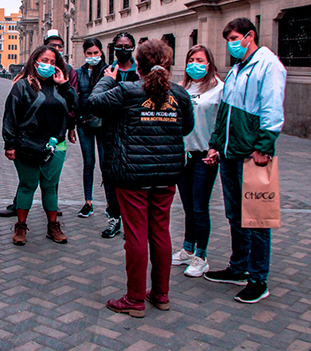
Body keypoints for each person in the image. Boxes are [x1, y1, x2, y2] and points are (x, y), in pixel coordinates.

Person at [89, 39, 194, 318]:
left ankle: (135, 298)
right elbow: (187, 128)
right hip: (166, 174)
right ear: (168, 64)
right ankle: (161, 294)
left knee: (136, 234)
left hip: (132, 174)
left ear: (138, 64)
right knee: (160, 231)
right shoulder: (180, 95)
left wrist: (106, 80)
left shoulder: (127, 90)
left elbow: (93, 103)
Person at [203, 18, 286, 304]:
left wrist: (264, 147)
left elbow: (272, 109)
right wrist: (215, 145)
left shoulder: (268, 65)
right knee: (235, 216)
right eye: (228, 39)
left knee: (258, 219)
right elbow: (224, 112)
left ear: (250, 36)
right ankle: (238, 268)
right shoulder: (238, 69)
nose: (231, 44)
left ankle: (258, 279)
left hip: (253, 156)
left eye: (235, 38)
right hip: (229, 153)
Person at [0, 29, 77, 218]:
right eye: (44, 61)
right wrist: (10, 144)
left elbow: (76, 105)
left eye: (52, 62)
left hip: (56, 146)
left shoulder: (60, 86)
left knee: (50, 188)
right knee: (27, 186)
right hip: (28, 145)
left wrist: (64, 84)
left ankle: (53, 226)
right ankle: (21, 227)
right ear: (35, 61)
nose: (48, 65)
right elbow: (11, 116)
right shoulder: (22, 85)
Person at [171, 45, 224, 278]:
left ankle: (201, 257)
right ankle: (188, 248)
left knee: (200, 207)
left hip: (205, 155)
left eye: (200, 60)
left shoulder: (219, 89)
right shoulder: (181, 89)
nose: (195, 64)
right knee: (188, 207)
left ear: (209, 64)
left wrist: (217, 149)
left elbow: (223, 123)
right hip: (184, 155)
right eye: (191, 59)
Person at [98, 32, 140, 239]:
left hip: (134, 132)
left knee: (131, 177)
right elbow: (98, 99)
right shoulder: (108, 71)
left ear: (133, 48)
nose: (123, 49)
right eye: (119, 46)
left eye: (127, 46)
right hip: (110, 130)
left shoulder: (139, 71)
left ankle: (130, 221)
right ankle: (113, 217)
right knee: (110, 175)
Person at [74, 38, 108, 218]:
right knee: (88, 163)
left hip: (104, 124)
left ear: (101, 52)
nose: (93, 56)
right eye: (89, 53)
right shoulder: (79, 73)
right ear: (84, 54)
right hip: (84, 123)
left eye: (96, 53)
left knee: (105, 164)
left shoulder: (108, 71)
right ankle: (88, 202)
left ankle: (110, 203)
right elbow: (75, 98)